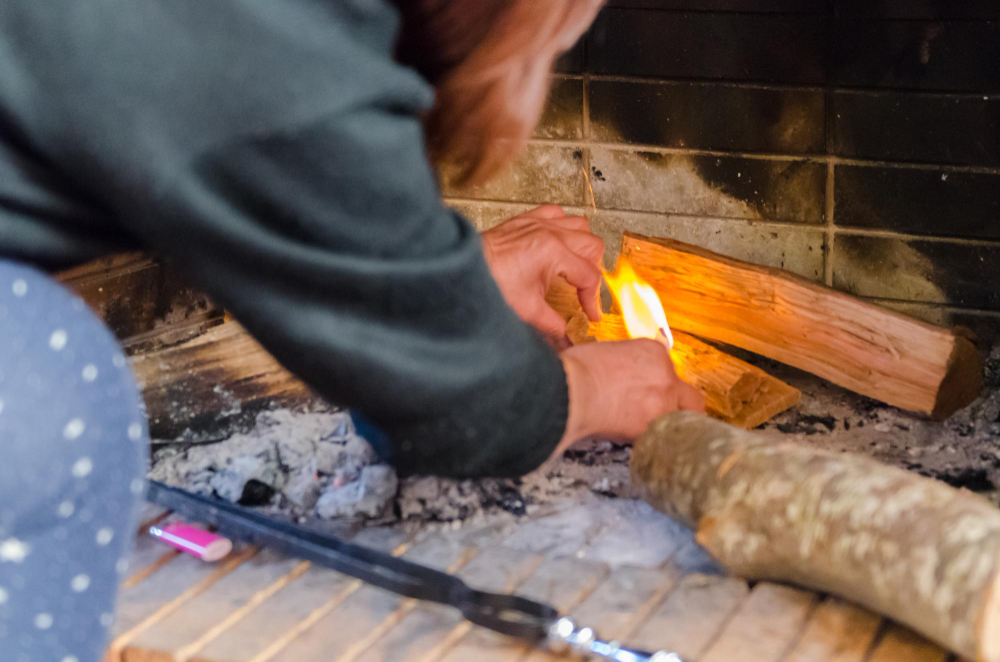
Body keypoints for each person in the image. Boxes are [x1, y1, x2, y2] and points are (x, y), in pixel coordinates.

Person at [0, 1, 705, 659]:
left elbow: (256, 198)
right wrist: (585, 386)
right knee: (55, 379)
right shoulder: (278, 37)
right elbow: (457, 412)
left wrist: (440, 289)